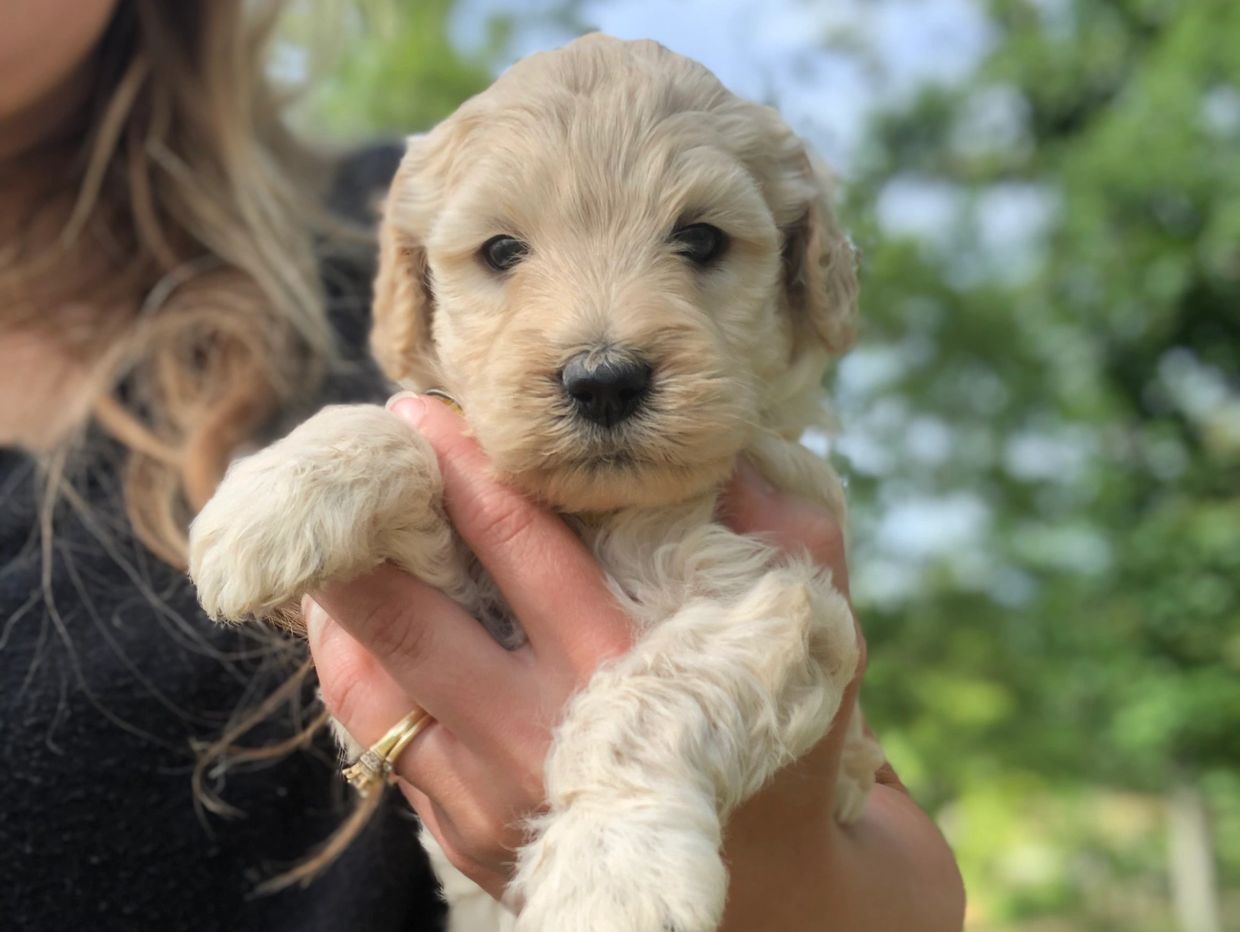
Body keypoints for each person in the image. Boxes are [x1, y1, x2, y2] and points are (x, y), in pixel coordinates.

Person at [0, 1, 966, 930]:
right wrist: (367, 459)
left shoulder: (761, 511)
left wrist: (668, 817)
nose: (603, 349)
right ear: (411, 290)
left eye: (700, 243)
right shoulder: (394, 406)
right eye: (503, 253)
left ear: (807, 269)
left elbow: (871, 836)